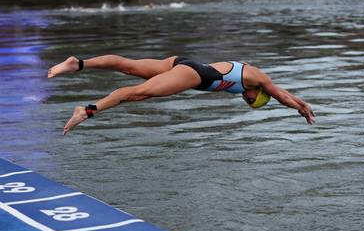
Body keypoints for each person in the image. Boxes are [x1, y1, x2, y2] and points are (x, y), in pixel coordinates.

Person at [48, 55, 315, 135]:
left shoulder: (253, 83)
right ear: (258, 92)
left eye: (248, 102)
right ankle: (87, 110)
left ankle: (78, 64)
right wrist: (300, 108)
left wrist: (300, 102)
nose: (246, 99)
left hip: (182, 64)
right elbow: (280, 94)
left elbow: (282, 92)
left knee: (128, 67)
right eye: (250, 99)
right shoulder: (256, 77)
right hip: (194, 75)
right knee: (136, 94)